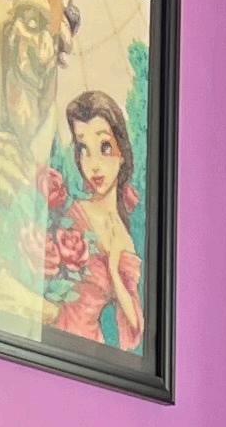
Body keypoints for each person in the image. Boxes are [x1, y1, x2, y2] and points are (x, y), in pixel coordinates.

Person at [39, 89, 148, 356]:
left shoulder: (124, 236)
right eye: (83, 149)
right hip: (51, 334)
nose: (94, 164)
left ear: (122, 152)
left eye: (105, 147)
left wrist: (113, 268)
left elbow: (136, 324)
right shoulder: (72, 212)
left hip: (87, 350)